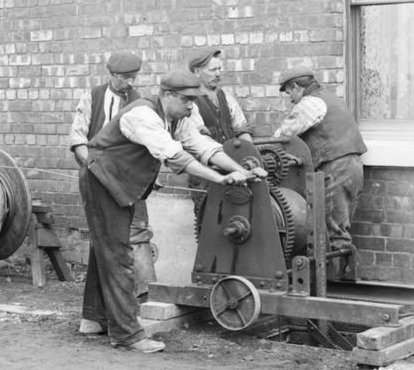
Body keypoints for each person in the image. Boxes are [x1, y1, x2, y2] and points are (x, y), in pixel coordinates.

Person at [79, 68, 267, 353]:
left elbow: (202, 146)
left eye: (194, 100)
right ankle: (127, 334)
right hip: (102, 180)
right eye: (186, 100)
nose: (191, 106)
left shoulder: (177, 117)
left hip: (119, 182)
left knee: (105, 249)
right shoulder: (143, 115)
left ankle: (94, 319)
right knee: (117, 255)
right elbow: (174, 156)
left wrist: (240, 169)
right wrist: (219, 178)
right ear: (167, 95)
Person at [70, 52, 157, 334]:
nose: (129, 83)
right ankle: (97, 317)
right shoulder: (92, 98)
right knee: (104, 244)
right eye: (124, 78)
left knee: (132, 240)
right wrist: (94, 167)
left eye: (133, 78)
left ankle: (134, 309)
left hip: (129, 183)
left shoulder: (139, 102)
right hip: (97, 180)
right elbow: (78, 138)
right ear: (111, 75)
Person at [274, 67, 367, 252]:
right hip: (353, 166)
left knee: (334, 232)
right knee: (340, 227)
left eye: (288, 92)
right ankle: (340, 275)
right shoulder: (329, 98)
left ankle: (335, 279)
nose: (290, 98)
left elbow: (282, 137)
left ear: (296, 86)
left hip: (336, 168)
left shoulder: (310, 103)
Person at [187, 49, 253, 144]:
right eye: (213, 70)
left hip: (232, 154)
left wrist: (249, 148)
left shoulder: (226, 97)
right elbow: (199, 139)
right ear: (197, 72)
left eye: (219, 69)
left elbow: (241, 128)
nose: (218, 74)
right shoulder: (190, 102)